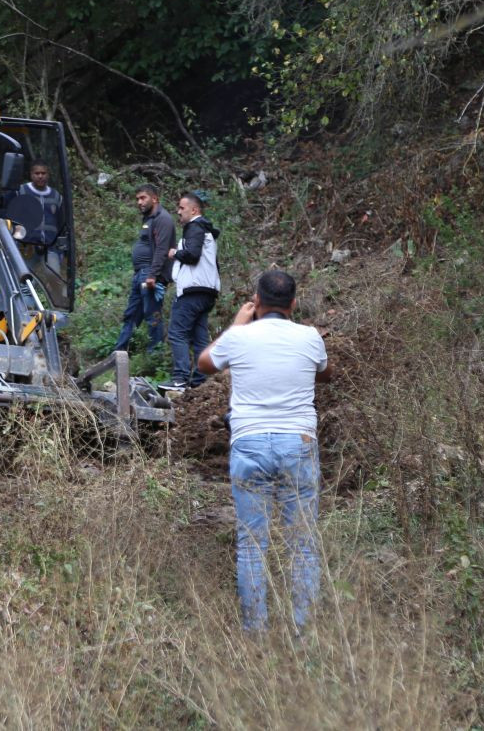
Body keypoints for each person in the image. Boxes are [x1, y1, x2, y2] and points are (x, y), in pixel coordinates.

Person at [196, 269, 333, 633]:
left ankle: (255, 633)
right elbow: (324, 371)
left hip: (250, 443)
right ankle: (303, 634)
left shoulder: (240, 338)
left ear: (256, 302)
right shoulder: (310, 337)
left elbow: (205, 363)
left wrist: (237, 323)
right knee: (303, 544)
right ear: (293, 302)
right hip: (298, 445)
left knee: (252, 545)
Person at [158, 192, 219, 392]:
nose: (178, 212)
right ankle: (200, 380)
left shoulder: (195, 226)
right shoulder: (204, 229)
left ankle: (180, 379)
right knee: (199, 337)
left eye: (182, 208)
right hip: (207, 291)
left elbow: (192, 256)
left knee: (177, 333)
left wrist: (175, 253)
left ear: (194, 210)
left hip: (193, 290)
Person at [113, 184, 175, 354]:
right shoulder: (149, 218)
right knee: (131, 314)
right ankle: (118, 353)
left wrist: (153, 275)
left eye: (143, 198)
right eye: (137, 199)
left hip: (149, 275)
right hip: (140, 274)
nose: (139, 202)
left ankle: (155, 355)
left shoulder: (163, 218)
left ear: (154, 198)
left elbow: (162, 249)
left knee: (152, 315)